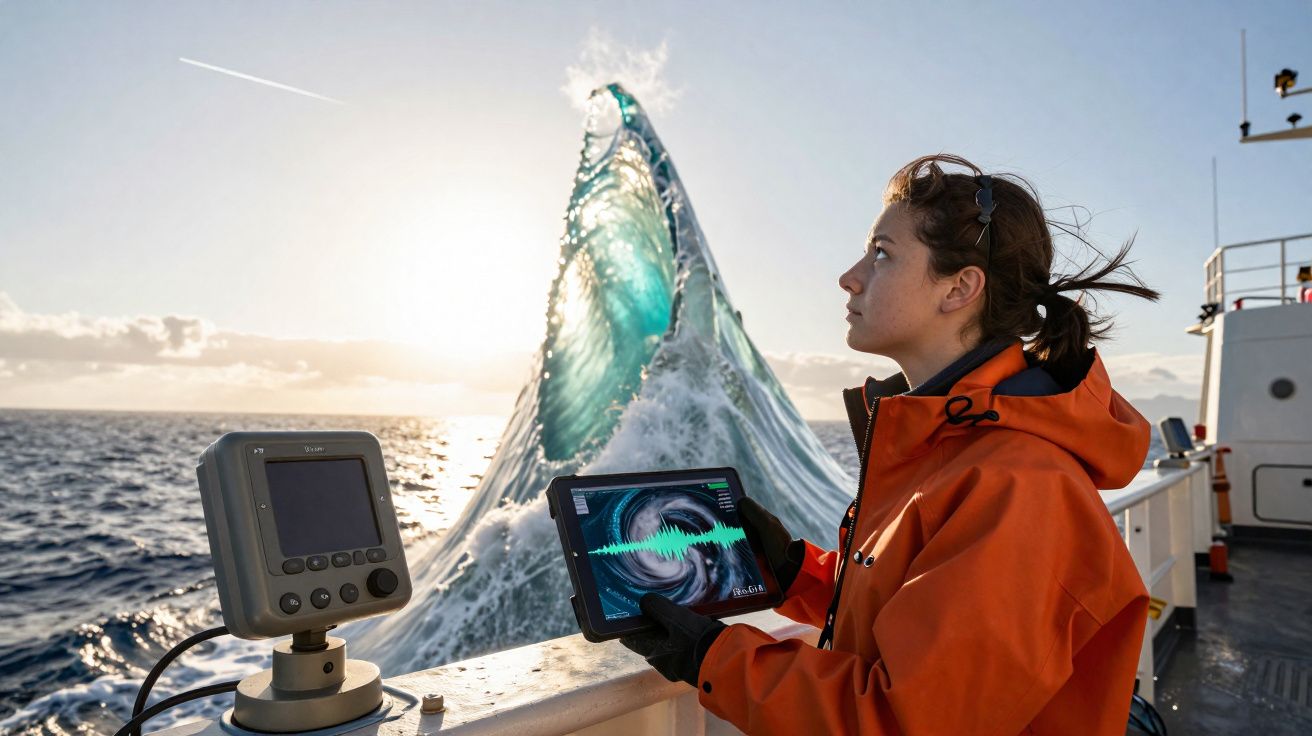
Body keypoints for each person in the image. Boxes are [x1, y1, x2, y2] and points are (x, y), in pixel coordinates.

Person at [621, 153, 1160, 735]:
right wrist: (795, 573)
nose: (849, 276)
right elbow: (918, 615)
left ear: (959, 288)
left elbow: (906, 722)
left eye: (881, 254)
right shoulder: (955, 444)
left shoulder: (1020, 485)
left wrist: (712, 658)